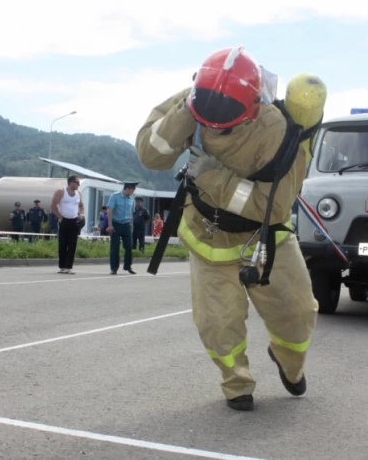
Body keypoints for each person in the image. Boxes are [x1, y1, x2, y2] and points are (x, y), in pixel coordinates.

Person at [135, 46, 325, 411]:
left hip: (265, 238)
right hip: (207, 234)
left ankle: (291, 365)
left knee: (297, 315)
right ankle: (236, 382)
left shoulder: (276, 129)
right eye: (207, 111)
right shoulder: (195, 103)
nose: (216, 123)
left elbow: (273, 206)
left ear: (253, 105)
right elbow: (151, 153)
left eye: (227, 117)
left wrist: (210, 175)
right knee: (217, 325)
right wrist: (187, 111)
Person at [50, 175, 85, 274]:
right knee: (63, 243)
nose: (78, 185)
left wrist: (81, 214)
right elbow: (53, 205)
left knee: (72, 244)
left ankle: (69, 267)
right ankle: (62, 266)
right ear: (71, 182)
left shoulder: (78, 194)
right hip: (64, 220)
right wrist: (60, 217)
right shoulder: (61, 191)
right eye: (77, 183)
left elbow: (81, 205)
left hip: (74, 221)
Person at [106, 181, 138, 275]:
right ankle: (114, 268)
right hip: (116, 223)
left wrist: (131, 225)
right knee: (115, 247)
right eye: (132, 189)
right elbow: (110, 210)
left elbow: (131, 213)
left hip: (126, 224)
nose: (133, 192)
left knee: (129, 246)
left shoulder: (132, 199)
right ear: (127, 188)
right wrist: (110, 225)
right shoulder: (115, 196)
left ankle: (128, 266)